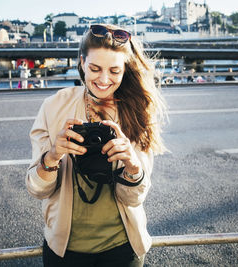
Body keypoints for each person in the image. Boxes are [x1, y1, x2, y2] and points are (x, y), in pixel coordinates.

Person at [25, 24, 167, 267]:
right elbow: (37, 190)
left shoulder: (137, 111)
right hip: (65, 249)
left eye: (114, 71)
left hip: (123, 248)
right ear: (82, 62)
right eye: (95, 68)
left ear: (125, 69)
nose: (103, 79)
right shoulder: (53, 106)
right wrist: (53, 155)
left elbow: (133, 199)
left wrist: (132, 165)